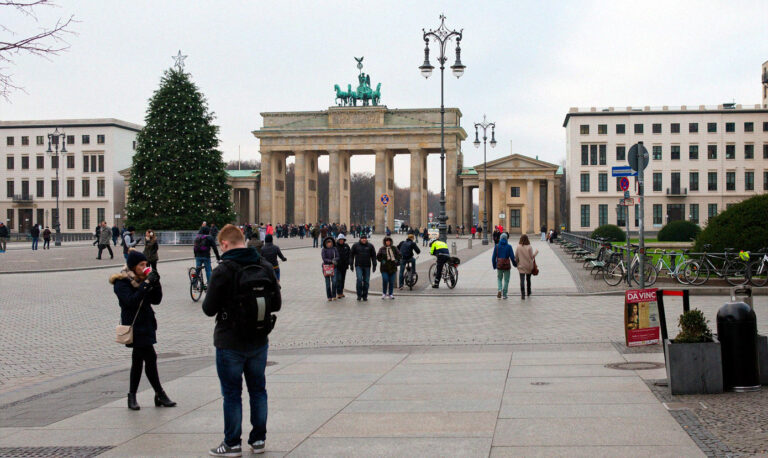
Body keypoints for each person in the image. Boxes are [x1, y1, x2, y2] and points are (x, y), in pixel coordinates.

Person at [202, 224, 281, 456]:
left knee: (232, 394)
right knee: (258, 390)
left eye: (220, 246)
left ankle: (232, 443)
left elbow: (208, 309)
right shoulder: (264, 265)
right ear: (243, 240)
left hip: (229, 342)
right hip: (259, 340)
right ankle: (258, 441)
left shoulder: (223, 270)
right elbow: (276, 304)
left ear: (224, 244)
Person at [110, 250, 176, 411]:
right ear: (133, 266)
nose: (144, 267)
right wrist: (145, 285)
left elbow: (156, 300)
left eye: (146, 264)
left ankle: (133, 395)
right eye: (141, 265)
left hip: (147, 324)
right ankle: (159, 393)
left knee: (139, 360)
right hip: (134, 326)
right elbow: (130, 302)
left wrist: (156, 283)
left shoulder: (143, 279)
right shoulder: (122, 282)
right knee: (150, 358)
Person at [349, 233, 376, 301]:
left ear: (366, 239)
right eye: (362, 238)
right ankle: (359, 295)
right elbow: (351, 255)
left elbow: (373, 256)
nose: (364, 239)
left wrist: (374, 265)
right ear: (360, 239)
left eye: (365, 238)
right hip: (358, 265)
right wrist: (351, 264)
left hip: (367, 266)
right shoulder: (355, 245)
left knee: (366, 281)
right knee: (359, 279)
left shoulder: (370, 246)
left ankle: (365, 295)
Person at [491, 233, 516, 299]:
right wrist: (515, 264)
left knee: (499, 278)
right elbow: (512, 257)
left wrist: (494, 265)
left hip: (499, 265)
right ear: (506, 239)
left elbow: (493, 258)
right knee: (506, 280)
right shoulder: (509, 246)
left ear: (500, 238)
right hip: (507, 266)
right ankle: (504, 294)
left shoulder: (496, 246)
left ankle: (499, 289)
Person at [515, 234, 539, 300]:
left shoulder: (518, 247)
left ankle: (523, 294)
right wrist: (536, 253)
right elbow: (531, 257)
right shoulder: (529, 247)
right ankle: (528, 292)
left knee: (522, 280)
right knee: (528, 279)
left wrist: (517, 263)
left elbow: (516, 257)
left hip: (521, 266)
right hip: (528, 266)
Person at [321, 236, 339, 301]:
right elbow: (324, 258)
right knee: (327, 283)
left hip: (334, 267)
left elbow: (338, 256)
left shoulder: (334, 249)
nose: (329, 244)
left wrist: (335, 259)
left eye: (330, 242)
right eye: (328, 242)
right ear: (326, 243)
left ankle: (334, 295)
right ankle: (329, 296)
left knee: (334, 281)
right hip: (326, 267)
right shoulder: (324, 249)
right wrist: (331, 261)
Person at [334, 234, 350, 299]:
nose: (341, 241)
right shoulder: (335, 246)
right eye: (340, 240)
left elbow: (349, 254)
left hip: (344, 266)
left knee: (343, 279)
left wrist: (349, 262)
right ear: (338, 240)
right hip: (338, 266)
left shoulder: (346, 246)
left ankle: (341, 292)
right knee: (339, 279)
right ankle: (339, 293)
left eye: (342, 240)